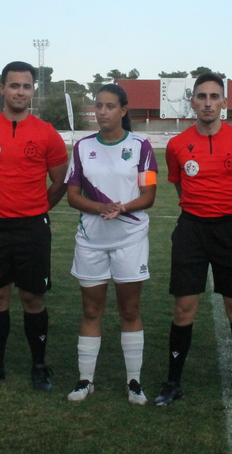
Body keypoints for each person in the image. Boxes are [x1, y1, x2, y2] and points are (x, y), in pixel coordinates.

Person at [154, 72, 232, 409]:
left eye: (214, 96)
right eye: (201, 96)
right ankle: (173, 382)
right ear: (192, 101)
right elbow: (179, 186)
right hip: (191, 230)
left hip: (228, 230)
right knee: (183, 309)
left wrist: (228, 216)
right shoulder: (176, 145)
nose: (207, 103)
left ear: (224, 102)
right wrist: (201, 212)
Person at [0, 61, 69, 391]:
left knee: (33, 298)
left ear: (33, 91)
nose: (20, 91)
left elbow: (60, 181)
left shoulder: (46, 133)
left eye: (26, 86)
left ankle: (39, 366)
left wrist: (35, 208)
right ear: (2, 89)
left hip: (32, 229)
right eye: (14, 86)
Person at [64, 84, 157, 405]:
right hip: (91, 242)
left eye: (109, 106)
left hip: (130, 240)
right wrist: (99, 208)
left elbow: (149, 196)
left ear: (123, 110)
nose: (101, 111)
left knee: (130, 310)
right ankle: (84, 380)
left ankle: (134, 382)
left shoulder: (142, 146)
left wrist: (122, 208)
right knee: (91, 310)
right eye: (98, 106)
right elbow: (72, 195)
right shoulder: (82, 147)